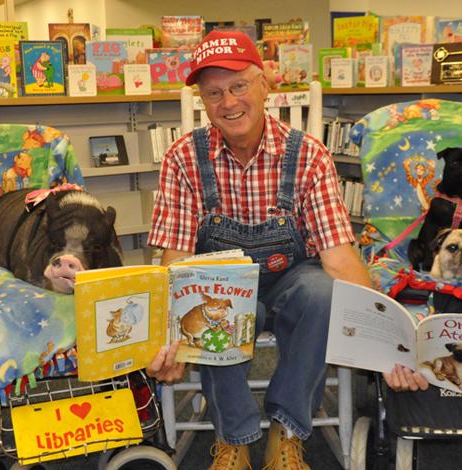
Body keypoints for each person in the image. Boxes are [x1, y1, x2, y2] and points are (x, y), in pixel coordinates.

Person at [145, 30, 426, 470]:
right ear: (202, 100)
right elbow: (176, 262)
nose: (229, 102)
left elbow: (339, 257)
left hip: (296, 281)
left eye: (239, 86)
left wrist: (390, 342)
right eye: (214, 93)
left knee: (325, 294)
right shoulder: (182, 159)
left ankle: (287, 429)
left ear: (265, 85)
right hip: (224, 292)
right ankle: (232, 436)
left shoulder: (309, 156)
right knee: (199, 296)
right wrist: (165, 336)